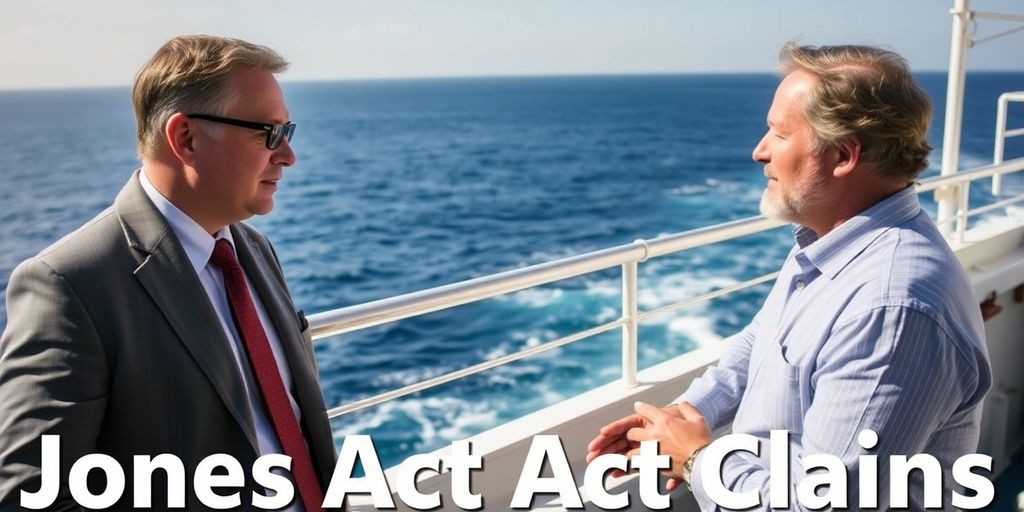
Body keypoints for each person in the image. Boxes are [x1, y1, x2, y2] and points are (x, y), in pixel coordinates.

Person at [587, 43, 991, 510]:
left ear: (842, 155)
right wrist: (691, 411)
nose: (759, 151)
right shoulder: (830, 241)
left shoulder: (893, 309)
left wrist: (698, 459)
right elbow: (767, 338)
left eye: (779, 134)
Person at [0, 35, 335, 511]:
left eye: (288, 132)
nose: (287, 156)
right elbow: (32, 495)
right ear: (186, 139)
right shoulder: (69, 283)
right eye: (268, 133)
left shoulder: (252, 250)